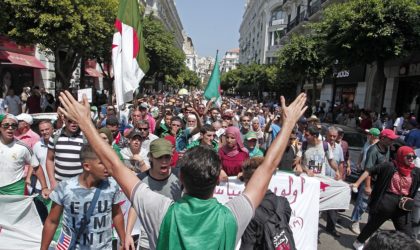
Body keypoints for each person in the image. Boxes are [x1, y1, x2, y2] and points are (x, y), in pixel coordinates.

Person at [57, 90, 307, 250]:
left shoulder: (160, 210)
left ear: (182, 180)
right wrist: (288, 125)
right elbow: (268, 168)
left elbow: (113, 164)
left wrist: (85, 123)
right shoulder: (233, 215)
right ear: (216, 182)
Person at [40, 144, 126, 249]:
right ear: (87, 166)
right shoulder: (65, 188)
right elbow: (52, 221)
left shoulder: (112, 186)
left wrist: (123, 240)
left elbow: (117, 214)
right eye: (102, 163)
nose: (107, 167)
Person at [352, 146, 420, 250]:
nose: (412, 159)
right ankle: (358, 242)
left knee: (407, 232)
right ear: (401, 156)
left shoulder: (415, 171)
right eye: (409, 156)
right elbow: (369, 171)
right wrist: (360, 184)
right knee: (373, 225)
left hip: (403, 205)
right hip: (386, 202)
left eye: (413, 156)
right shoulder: (390, 166)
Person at [125, 139, 182, 250]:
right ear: (150, 157)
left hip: (174, 236)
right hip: (147, 238)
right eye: (159, 157)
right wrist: (128, 234)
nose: (164, 161)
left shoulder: (181, 176)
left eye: (167, 157)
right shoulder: (141, 179)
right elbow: (135, 207)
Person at [240, 157, 296, 250]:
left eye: (245, 180)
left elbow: (247, 246)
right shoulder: (283, 202)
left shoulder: (250, 213)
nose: (245, 185)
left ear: (250, 181)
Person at [0, 114, 47, 197]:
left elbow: (36, 166)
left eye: (14, 125)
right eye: (6, 125)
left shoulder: (23, 147)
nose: (10, 128)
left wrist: (44, 187)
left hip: (16, 189)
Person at [349, 128, 380, 234]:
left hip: (372, 176)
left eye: (369, 134)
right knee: (362, 201)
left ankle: (369, 225)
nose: (367, 135)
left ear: (374, 136)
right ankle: (355, 221)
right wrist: (358, 163)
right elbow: (362, 153)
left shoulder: (378, 147)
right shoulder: (367, 143)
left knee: (368, 202)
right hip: (364, 173)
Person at [46, 117, 84, 189]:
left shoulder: (85, 137)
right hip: (60, 185)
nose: (74, 124)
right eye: (70, 121)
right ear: (64, 120)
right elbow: (49, 159)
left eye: (76, 121)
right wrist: (52, 181)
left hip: (80, 186)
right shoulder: (55, 136)